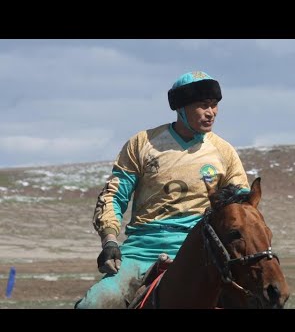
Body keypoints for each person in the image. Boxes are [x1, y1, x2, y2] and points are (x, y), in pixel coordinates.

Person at [75, 71, 250, 308]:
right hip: (142, 249)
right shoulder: (143, 143)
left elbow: (241, 209)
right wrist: (109, 241)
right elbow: (114, 196)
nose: (211, 113)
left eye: (214, 105)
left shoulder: (224, 151)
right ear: (181, 108)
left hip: (201, 251)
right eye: (202, 106)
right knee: (94, 304)